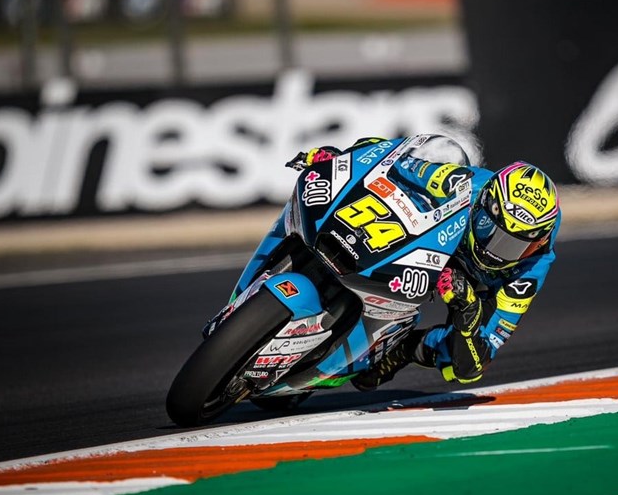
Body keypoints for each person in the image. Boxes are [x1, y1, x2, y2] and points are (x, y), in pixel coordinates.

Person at [215, 136, 562, 389]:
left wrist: (467, 312)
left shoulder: (528, 271)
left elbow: (474, 365)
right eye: (491, 230)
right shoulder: (465, 184)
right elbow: (396, 161)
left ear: (538, 242)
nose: (496, 250)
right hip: (440, 246)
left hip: (471, 289)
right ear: (485, 205)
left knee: (460, 365)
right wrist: (342, 160)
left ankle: (402, 349)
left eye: (515, 245)